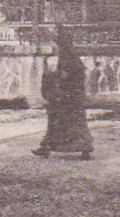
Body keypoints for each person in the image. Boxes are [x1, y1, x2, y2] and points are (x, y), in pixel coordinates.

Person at [35, 27, 93, 160]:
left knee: (68, 123)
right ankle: (46, 148)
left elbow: (68, 77)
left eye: (56, 43)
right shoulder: (68, 57)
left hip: (69, 97)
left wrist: (53, 76)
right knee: (58, 123)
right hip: (68, 96)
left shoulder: (68, 58)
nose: (54, 46)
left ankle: (84, 149)